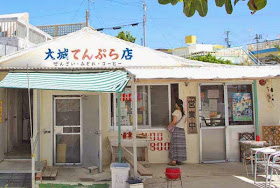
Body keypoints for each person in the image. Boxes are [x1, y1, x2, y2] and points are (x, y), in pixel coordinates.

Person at [167, 99, 187, 166]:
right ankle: (179, 160)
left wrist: (169, 125)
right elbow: (185, 121)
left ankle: (173, 161)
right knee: (181, 146)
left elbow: (174, 121)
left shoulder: (176, 112)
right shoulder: (184, 113)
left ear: (177, 105)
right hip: (182, 130)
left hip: (176, 130)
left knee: (174, 145)